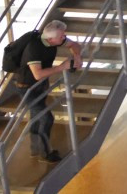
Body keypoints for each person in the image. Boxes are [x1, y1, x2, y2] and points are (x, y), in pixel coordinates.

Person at [18, 19, 82, 163]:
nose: (64, 37)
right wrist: (62, 66)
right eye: (62, 36)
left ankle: (36, 148)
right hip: (27, 88)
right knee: (46, 118)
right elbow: (38, 74)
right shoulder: (34, 48)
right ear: (51, 39)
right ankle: (46, 154)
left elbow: (74, 45)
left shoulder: (54, 40)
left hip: (40, 85)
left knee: (36, 116)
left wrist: (77, 57)